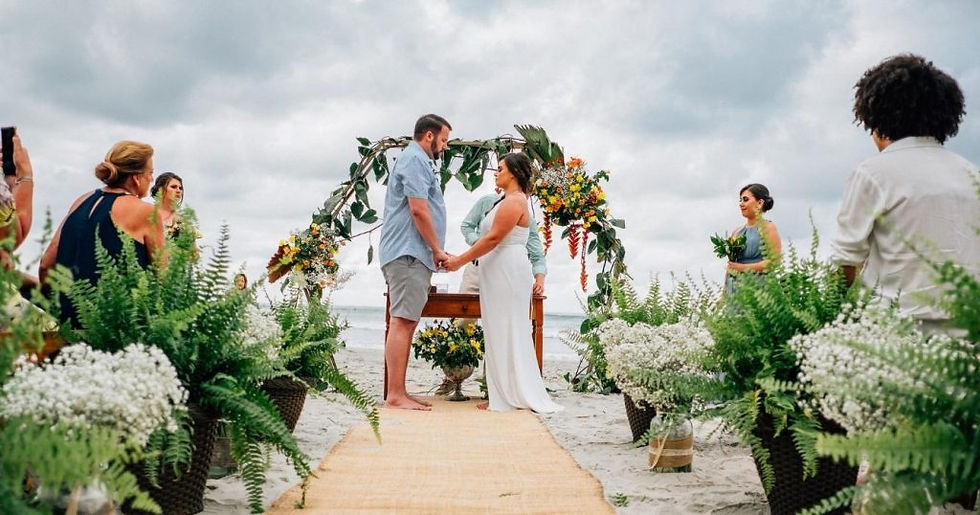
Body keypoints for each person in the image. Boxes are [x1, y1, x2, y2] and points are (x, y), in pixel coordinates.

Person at [831, 54, 980, 330]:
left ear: (876, 117)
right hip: (968, 335)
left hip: (895, 335)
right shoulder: (972, 174)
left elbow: (844, 262)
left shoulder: (873, 173)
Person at [444, 153, 562, 414]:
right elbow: (480, 234)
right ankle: (503, 392)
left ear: (514, 174)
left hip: (506, 272)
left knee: (506, 330)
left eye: (499, 169)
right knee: (497, 331)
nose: (495, 173)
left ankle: (507, 396)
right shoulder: (503, 201)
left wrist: (459, 261)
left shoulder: (514, 202)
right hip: (497, 271)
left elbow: (493, 239)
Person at [39, 140, 166, 325]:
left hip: (69, 325)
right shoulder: (145, 212)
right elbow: (164, 278)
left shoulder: (81, 200)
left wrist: (60, 309)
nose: (151, 180)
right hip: (116, 331)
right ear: (136, 178)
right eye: (151, 173)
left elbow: (46, 265)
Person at [378, 114, 452, 411]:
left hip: (412, 253)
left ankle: (399, 392)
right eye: (444, 140)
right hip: (409, 252)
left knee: (406, 321)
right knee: (403, 321)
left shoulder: (418, 161)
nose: (445, 147)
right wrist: (437, 250)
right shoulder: (415, 160)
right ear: (430, 136)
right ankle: (395, 395)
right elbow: (418, 210)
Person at [725, 183, 781, 295]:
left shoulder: (768, 228)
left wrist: (743, 268)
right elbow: (731, 266)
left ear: (760, 203)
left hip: (760, 290)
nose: (741, 204)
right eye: (740, 200)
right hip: (736, 289)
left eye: (745, 200)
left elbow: (774, 262)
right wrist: (724, 296)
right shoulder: (736, 232)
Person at [150, 171, 184, 239]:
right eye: (173, 187)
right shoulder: (148, 214)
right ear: (161, 189)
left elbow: (192, 248)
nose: (178, 190)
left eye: (180, 188)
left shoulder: (182, 221)